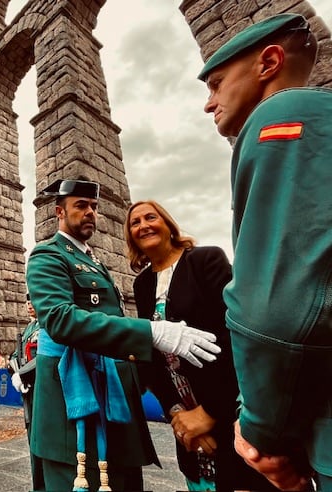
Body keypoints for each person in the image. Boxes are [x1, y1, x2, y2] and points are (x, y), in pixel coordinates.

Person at [198, 13, 332, 492]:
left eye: (216, 84)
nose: (208, 102)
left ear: (269, 62)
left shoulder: (283, 115)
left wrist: (259, 432)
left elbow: (277, 306)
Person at [25, 178, 222, 491]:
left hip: (114, 401)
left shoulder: (95, 264)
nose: (90, 212)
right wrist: (151, 332)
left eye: (93, 207)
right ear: (59, 211)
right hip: (78, 404)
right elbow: (60, 320)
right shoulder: (48, 256)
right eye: (80, 206)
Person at [126, 200, 278, 491]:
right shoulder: (142, 284)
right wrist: (176, 414)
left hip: (229, 410)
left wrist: (209, 413)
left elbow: (233, 338)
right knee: (200, 481)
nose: (143, 225)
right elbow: (152, 356)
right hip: (185, 421)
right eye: (135, 223)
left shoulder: (206, 260)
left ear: (168, 225)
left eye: (150, 217)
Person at [9, 293, 44, 491]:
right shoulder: (29, 327)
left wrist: (24, 375)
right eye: (27, 302)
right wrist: (15, 370)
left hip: (40, 385)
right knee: (32, 436)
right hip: (28, 388)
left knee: (41, 436)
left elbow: (42, 354)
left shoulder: (44, 325)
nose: (29, 305)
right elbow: (16, 355)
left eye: (33, 302)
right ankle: (37, 483)